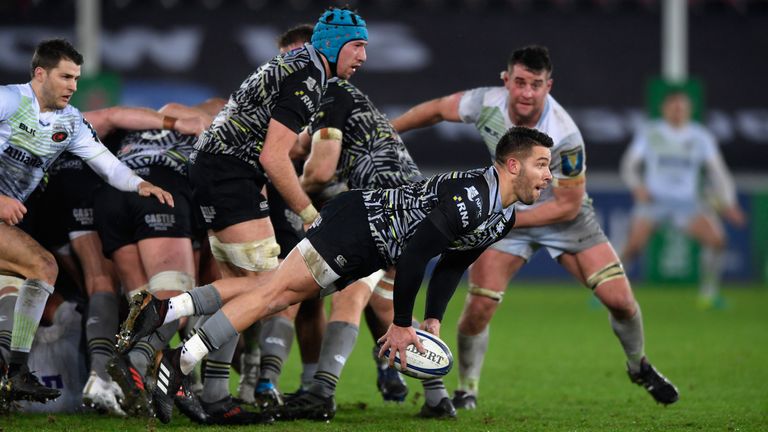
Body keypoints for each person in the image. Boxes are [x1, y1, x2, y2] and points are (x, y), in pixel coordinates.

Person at [121, 126, 553, 424]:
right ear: (513, 165)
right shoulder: (473, 196)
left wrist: (433, 317)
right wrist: (402, 324)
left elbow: (454, 262)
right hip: (358, 229)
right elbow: (420, 251)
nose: (549, 176)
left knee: (270, 289)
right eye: (542, 165)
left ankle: (168, 309)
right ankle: (179, 360)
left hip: (365, 241)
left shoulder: (503, 216)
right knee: (274, 296)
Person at [391, 45, 679, 408]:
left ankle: (639, 365)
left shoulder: (565, 134)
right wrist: (390, 130)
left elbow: (568, 204)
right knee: (478, 309)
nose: (527, 92)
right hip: (505, 211)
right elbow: (434, 110)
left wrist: (502, 218)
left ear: (549, 86)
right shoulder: (486, 103)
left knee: (620, 301)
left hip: (561, 218)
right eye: (521, 82)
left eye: (536, 84)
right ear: (506, 80)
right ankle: (468, 388)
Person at [0, 38, 172, 404]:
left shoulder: (69, 121)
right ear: (40, 73)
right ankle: (14, 372)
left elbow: (104, 163)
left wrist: (139, 184)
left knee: (22, 277)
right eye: (65, 77)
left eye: (77, 78)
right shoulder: (9, 101)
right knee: (42, 266)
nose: (73, 87)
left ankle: (13, 372)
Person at [271, 63, 424, 420]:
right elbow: (301, 148)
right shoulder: (352, 105)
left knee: (349, 296)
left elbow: (320, 170)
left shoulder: (330, 93)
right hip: (413, 210)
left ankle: (321, 392)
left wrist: (289, 193)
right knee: (385, 304)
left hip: (385, 209)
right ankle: (438, 395)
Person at [620, 89, 746, 309]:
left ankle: (709, 294)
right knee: (633, 246)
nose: (677, 111)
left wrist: (728, 202)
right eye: (673, 107)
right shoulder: (651, 132)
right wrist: (637, 186)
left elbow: (718, 172)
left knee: (717, 241)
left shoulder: (700, 136)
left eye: (681, 107)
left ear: (689, 110)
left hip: (687, 203)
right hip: (654, 201)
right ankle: (608, 292)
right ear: (664, 109)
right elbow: (629, 165)